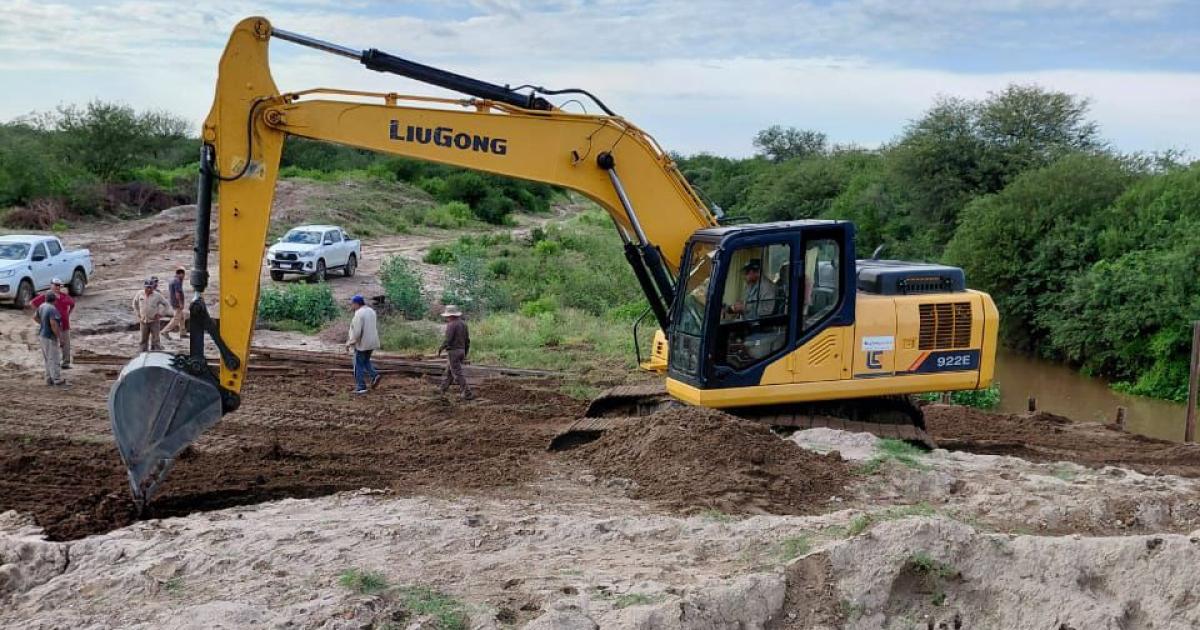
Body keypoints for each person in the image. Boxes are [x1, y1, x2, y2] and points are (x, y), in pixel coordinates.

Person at [29, 277, 76, 369]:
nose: (57, 287)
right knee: (53, 345)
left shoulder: (64, 296)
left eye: (59, 285)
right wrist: (42, 316)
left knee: (66, 344)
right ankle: (54, 364)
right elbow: (32, 303)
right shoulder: (47, 296)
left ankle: (65, 363)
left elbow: (72, 304)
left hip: (64, 325)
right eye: (56, 285)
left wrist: (68, 314)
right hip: (52, 325)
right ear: (51, 285)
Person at [346, 295, 382, 394]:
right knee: (365, 361)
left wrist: (350, 342)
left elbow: (357, 331)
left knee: (357, 365)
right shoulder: (371, 311)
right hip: (372, 342)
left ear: (357, 304)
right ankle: (375, 375)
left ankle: (361, 387)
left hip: (362, 343)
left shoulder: (359, 314)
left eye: (352, 304)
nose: (351, 306)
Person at [437, 304, 473, 400]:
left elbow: (448, 339)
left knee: (457, 374)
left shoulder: (451, 325)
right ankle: (442, 388)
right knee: (449, 372)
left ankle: (467, 393)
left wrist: (441, 348)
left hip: (453, 352)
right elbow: (467, 340)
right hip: (461, 350)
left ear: (450, 316)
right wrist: (465, 353)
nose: (447, 318)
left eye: (447, 317)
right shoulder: (463, 324)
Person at [32, 292, 65, 386]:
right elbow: (54, 324)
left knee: (47, 358)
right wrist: (60, 338)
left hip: (42, 335)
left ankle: (49, 378)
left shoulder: (42, 306)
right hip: (50, 337)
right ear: (54, 300)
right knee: (54, 358)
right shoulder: (52, 309)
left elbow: (34, 317)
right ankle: (57, 379)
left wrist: (43, 324)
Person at [132, 278, 171, 352]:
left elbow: (166, 305)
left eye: (151, 287)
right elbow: (134, 303)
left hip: (154, 321)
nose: (149, 289)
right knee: (143, 339)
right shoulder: (140, 294)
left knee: (156, 340)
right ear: (144, 287)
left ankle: (155, 354)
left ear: (153, 287)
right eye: (147, 287)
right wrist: (138, 313)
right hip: (143, 321)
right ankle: (142, 354)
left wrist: (161, 314)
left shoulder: (157, 295)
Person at [161, 267, 189, 340]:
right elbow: (177, 293)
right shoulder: (177, 281)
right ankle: (165, 331)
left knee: (182, 317)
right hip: (177, 303)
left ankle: (183, 333)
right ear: (180, 274)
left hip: (173, 301)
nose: (183, 276)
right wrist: (180, 303)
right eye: (183, 275)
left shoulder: (172, 280)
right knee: (176, 319)